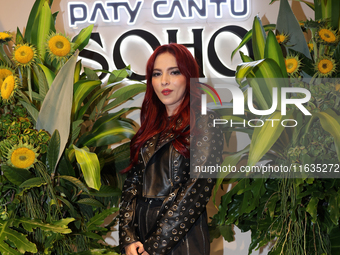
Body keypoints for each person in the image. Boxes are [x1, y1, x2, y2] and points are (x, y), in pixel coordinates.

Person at [119, 43, 223, 255]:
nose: (164, 81)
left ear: (188, 76)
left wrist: (154, 246)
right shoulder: (150, 127)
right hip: (139, 241)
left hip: (181, 240)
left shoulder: (205, 122)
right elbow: (132, 184)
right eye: (157, 74)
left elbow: (196, 191)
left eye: (174, 72)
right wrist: (128, 237)